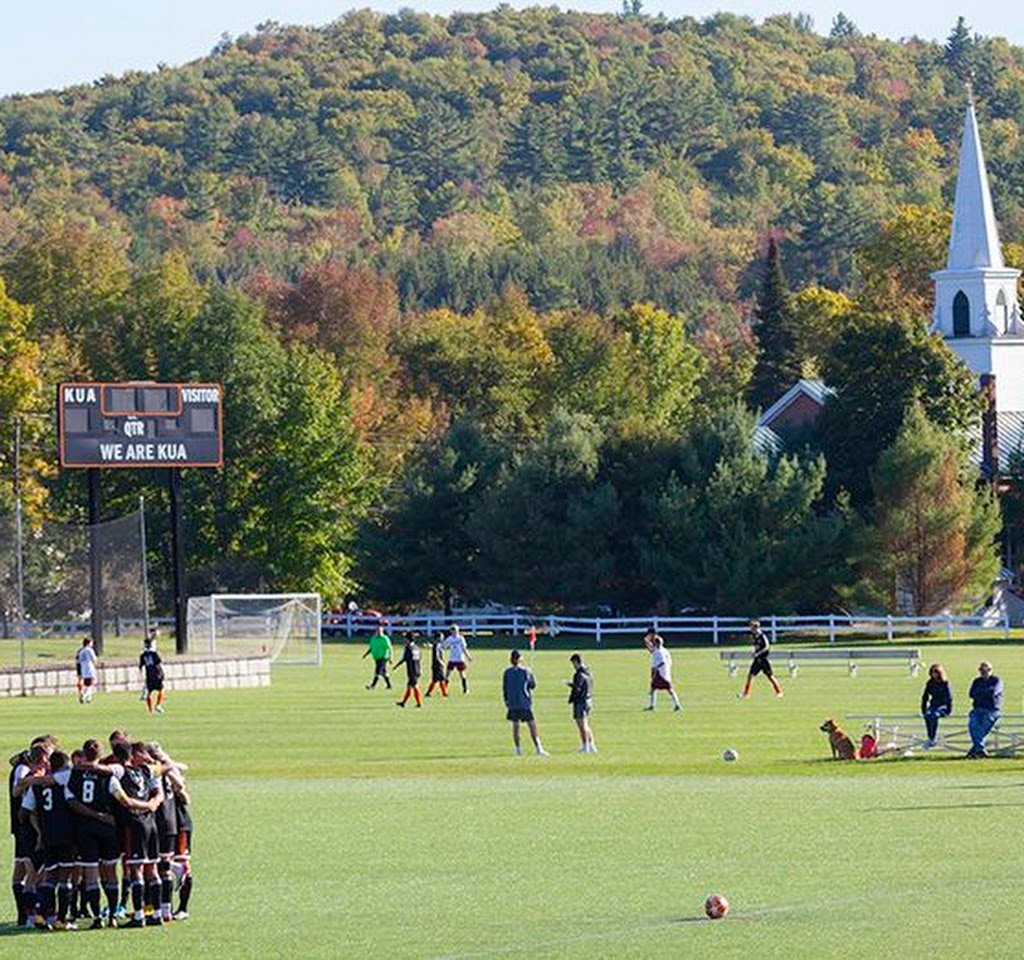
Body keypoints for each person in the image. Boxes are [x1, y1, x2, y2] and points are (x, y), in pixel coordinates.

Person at [503, 650, 548, 756]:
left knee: (516, 727)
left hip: (512, 703)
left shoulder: (507, 672)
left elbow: (505, 688)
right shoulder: (526, 671)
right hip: (524, 703)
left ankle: (518, 750)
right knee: (532, 726)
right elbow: (532, 685)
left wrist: (507, 701)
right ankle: (538, 748)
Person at [967, 661, 1002, 758]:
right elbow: (971, 694)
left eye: (987, 670)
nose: (984, 672)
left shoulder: (996, 680)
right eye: (981, 670)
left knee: (983, 728)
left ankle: (976, 750)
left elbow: (993, 692)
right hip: (977, 708)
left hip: (992, 710)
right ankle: (980, 750)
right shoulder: (977, 681)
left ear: (991, 670)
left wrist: (980, 693)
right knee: (972, 725)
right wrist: (984, 692)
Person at [740, 620, 783, 699]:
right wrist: (755, 653)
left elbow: (767, 647)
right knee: (750, 676)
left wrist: (758, 653)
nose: (750, 629)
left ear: (755, 627)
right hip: (757, 660)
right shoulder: (755, 636)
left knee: (770, 676)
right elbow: (757, 647)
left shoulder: (762, 636)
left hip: (763, 660)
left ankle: (779, 692)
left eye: (751, 627)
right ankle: (746, 694)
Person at [644, 630, 681, 712]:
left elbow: (662, 662)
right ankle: (652, 706)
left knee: (669, 689)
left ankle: (677, 705)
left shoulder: (659, 652)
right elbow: (651, 649)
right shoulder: (664, 650)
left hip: (660, 673)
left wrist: (655, 668)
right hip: (665, 672)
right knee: (654, 688)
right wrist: (646, 641)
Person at [566, 653, 595, 753]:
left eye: (573, 664)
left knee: (582, 726)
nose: (573, 666)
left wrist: (571, 698)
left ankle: (585, 746)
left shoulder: (578, 674)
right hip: (588, 700)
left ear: (576, 662)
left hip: (580, 702)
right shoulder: (588, 672)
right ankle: (591, 745)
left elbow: (577, 689)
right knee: (586, 724)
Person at [920, 663, 953, 748]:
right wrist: (923, 709)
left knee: (934, 715)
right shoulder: (930, 683)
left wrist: (949, 710)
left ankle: (932, 738)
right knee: (927, 715)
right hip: (934, 705)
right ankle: (930, 737)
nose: (934, 674)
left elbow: (949, 698)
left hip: (943, 706)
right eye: (932, 672)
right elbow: (925, 697)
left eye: (936, 672)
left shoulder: (945, 683)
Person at [139, 634, 166, 714]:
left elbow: (141, 667)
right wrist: (163, 673)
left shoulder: (143, 655)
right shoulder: (154, 654)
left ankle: (150, 710)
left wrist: (142, 676)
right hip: (157, 675)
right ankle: (158, 705)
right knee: (161, 689)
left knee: (148, 693)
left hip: (149, 676)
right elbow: (159, 664)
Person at [395, 633, 423, 708]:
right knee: (409, 686)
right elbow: (420, 658)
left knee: (415, 686)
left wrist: (397, 665)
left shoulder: (408, 648)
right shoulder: (416, 647)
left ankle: (419, 703)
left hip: (412, 670)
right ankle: (403, 702)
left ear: (408, 639)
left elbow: (404, 658)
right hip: (417, 668)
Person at [362, 623, 393, 690]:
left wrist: (390, 657)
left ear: (382, 631)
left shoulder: (385, 638)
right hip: (377, 657)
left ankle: (373, 686)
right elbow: (371, 648)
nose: (379, 632)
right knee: (384, 672)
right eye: (378, 631)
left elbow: (389, 648)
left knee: (378, 671)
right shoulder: (373, 638)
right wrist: (366, 654)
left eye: (380, 631)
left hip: (383, 657)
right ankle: (389, 685)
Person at [443, 624, 473, 693]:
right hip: (452, 659)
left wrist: (468, 656)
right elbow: (444, 646)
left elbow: (464, 648)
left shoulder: (461, 638)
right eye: (453, 630)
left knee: (462, 674)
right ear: (451, 631)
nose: (455, 632)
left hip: (460, 659)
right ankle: (444, 689)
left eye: (456, 630)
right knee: (447, 674)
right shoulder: (449, 639)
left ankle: (465, 689)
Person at [425, 633, 448, 698]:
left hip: (436, 665)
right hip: (437, 665)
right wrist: (441, 662)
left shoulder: (437, 645)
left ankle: (428, 692)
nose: (442, 638)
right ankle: (444, 693)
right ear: (438, 638)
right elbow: (437, 656)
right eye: (441, 637)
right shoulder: (437, 645)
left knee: (435, 679)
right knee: (441, 679)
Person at [76, 638, 98, 704]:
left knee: (87, 684)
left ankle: (88, 699)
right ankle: (84, 696)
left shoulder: (81, 651)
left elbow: (79, 661)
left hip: (83, 669)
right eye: (91, 642)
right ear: (88, 643)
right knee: (91, 684)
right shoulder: (89, 650)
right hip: (90, 668)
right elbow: (94, 659)